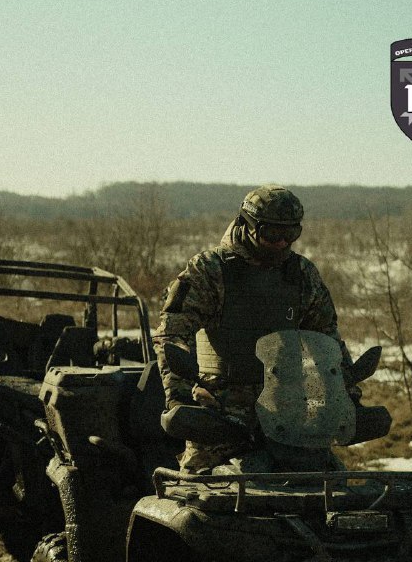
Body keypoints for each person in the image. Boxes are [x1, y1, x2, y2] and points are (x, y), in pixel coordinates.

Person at [153, 184, 356, 472]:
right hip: (222, 417)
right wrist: (180, 397)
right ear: (247, 224)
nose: (282, 243)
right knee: (205, 490)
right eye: (271, 233)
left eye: (291, 233)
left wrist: (346, 395)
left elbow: (327, 340)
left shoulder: (301, 275)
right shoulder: (210, 271)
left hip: (288, 417)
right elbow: (172, 335)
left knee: (328, 483)